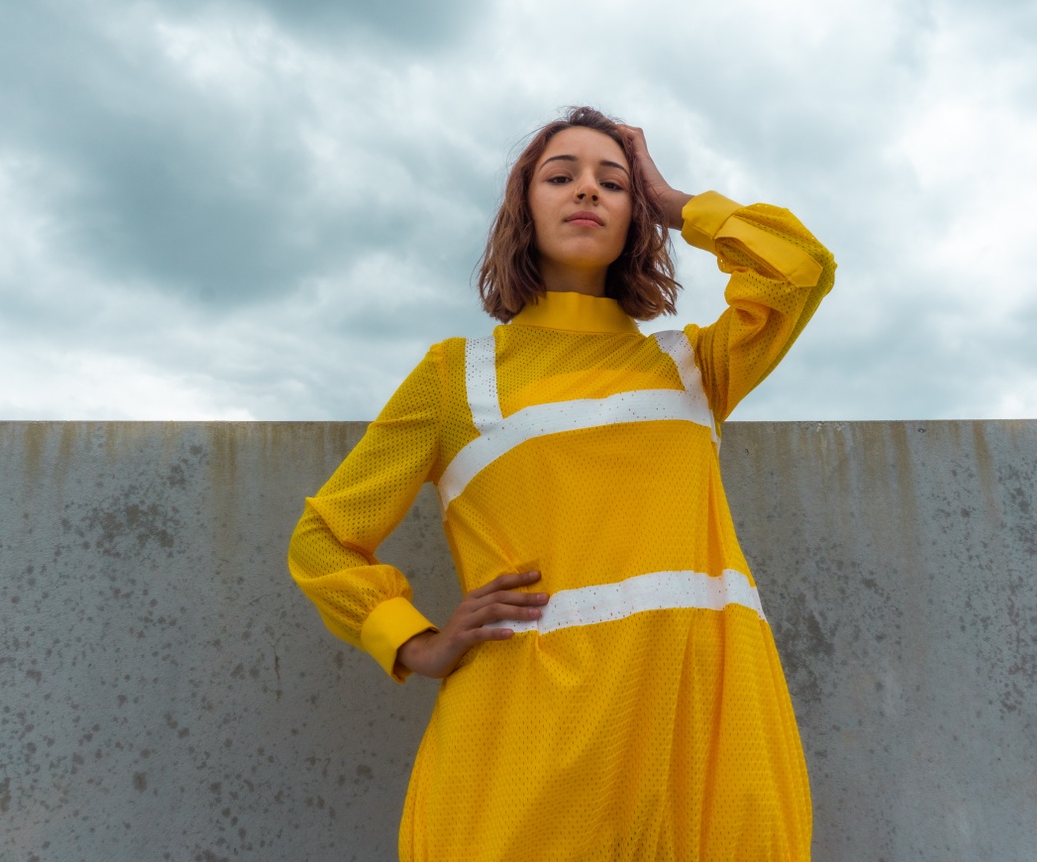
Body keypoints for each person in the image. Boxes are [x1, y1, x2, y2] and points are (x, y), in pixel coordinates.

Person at [288, 106, 836, 861]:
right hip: (529, 746)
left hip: (708, 732)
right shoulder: (457, 376)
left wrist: (674, 203)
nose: (587, 192)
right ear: (525, 207)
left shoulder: (695, 367)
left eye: (612, 182)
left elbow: (799, 267)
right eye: (561, 176)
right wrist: (414, 641)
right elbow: (324, 540)